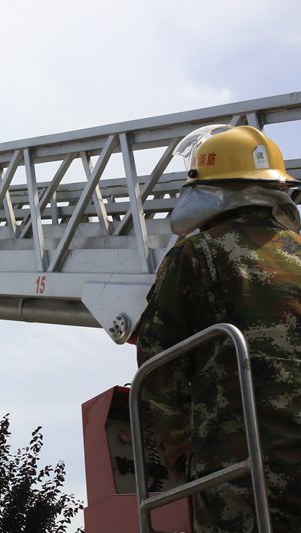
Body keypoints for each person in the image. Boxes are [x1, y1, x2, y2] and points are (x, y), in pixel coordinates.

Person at [136, 125, 301, 532]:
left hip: (241, 469)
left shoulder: (197, 254)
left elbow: (158, 359)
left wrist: (179, 446)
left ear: (206, 190)